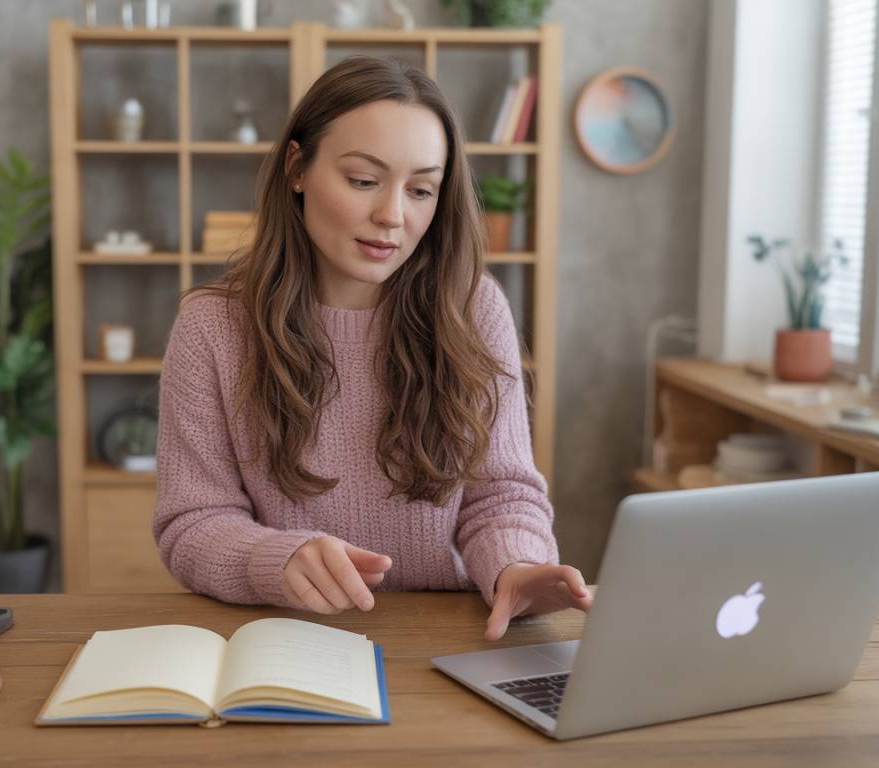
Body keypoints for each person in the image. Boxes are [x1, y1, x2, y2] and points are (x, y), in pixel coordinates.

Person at [153, 55, 591, 641]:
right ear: (297, 168)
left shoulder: (474, 309)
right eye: (364, 181)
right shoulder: (212, 326)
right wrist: (276, 559)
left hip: (448, 637)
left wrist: (515, 566)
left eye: (421, 190)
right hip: (286, 640)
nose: (392, 216)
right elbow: (193, 523)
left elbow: (500, 495)